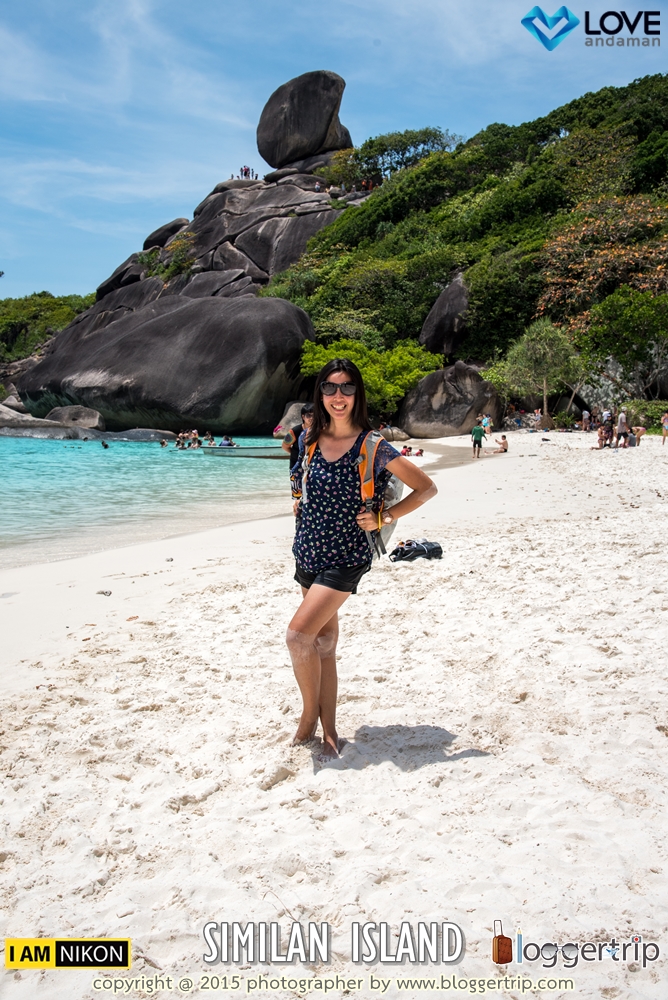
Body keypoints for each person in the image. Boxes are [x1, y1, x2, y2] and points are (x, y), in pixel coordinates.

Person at [287, 359, 437, 758]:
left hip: (346, 556)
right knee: (324, 643)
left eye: (347, 388)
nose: (338, 396)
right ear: (320, 393)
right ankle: (330, 730)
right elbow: (301, 483)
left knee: (298, 637)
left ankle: (308, 718)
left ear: (358, 395)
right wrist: (299, 503)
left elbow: (426, 489)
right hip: (308, 549)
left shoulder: (372, 445)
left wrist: (385, 517)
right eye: (330, 388)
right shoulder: (309, 439)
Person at [282, 404, 314, 468]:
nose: (312, 418)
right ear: (303, 417)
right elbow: (285, 446)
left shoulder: (320, 430)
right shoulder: (294, 431)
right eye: (308, 415)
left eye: (314, 415)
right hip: (297, 464)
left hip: (313, 464)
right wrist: (296, 454)